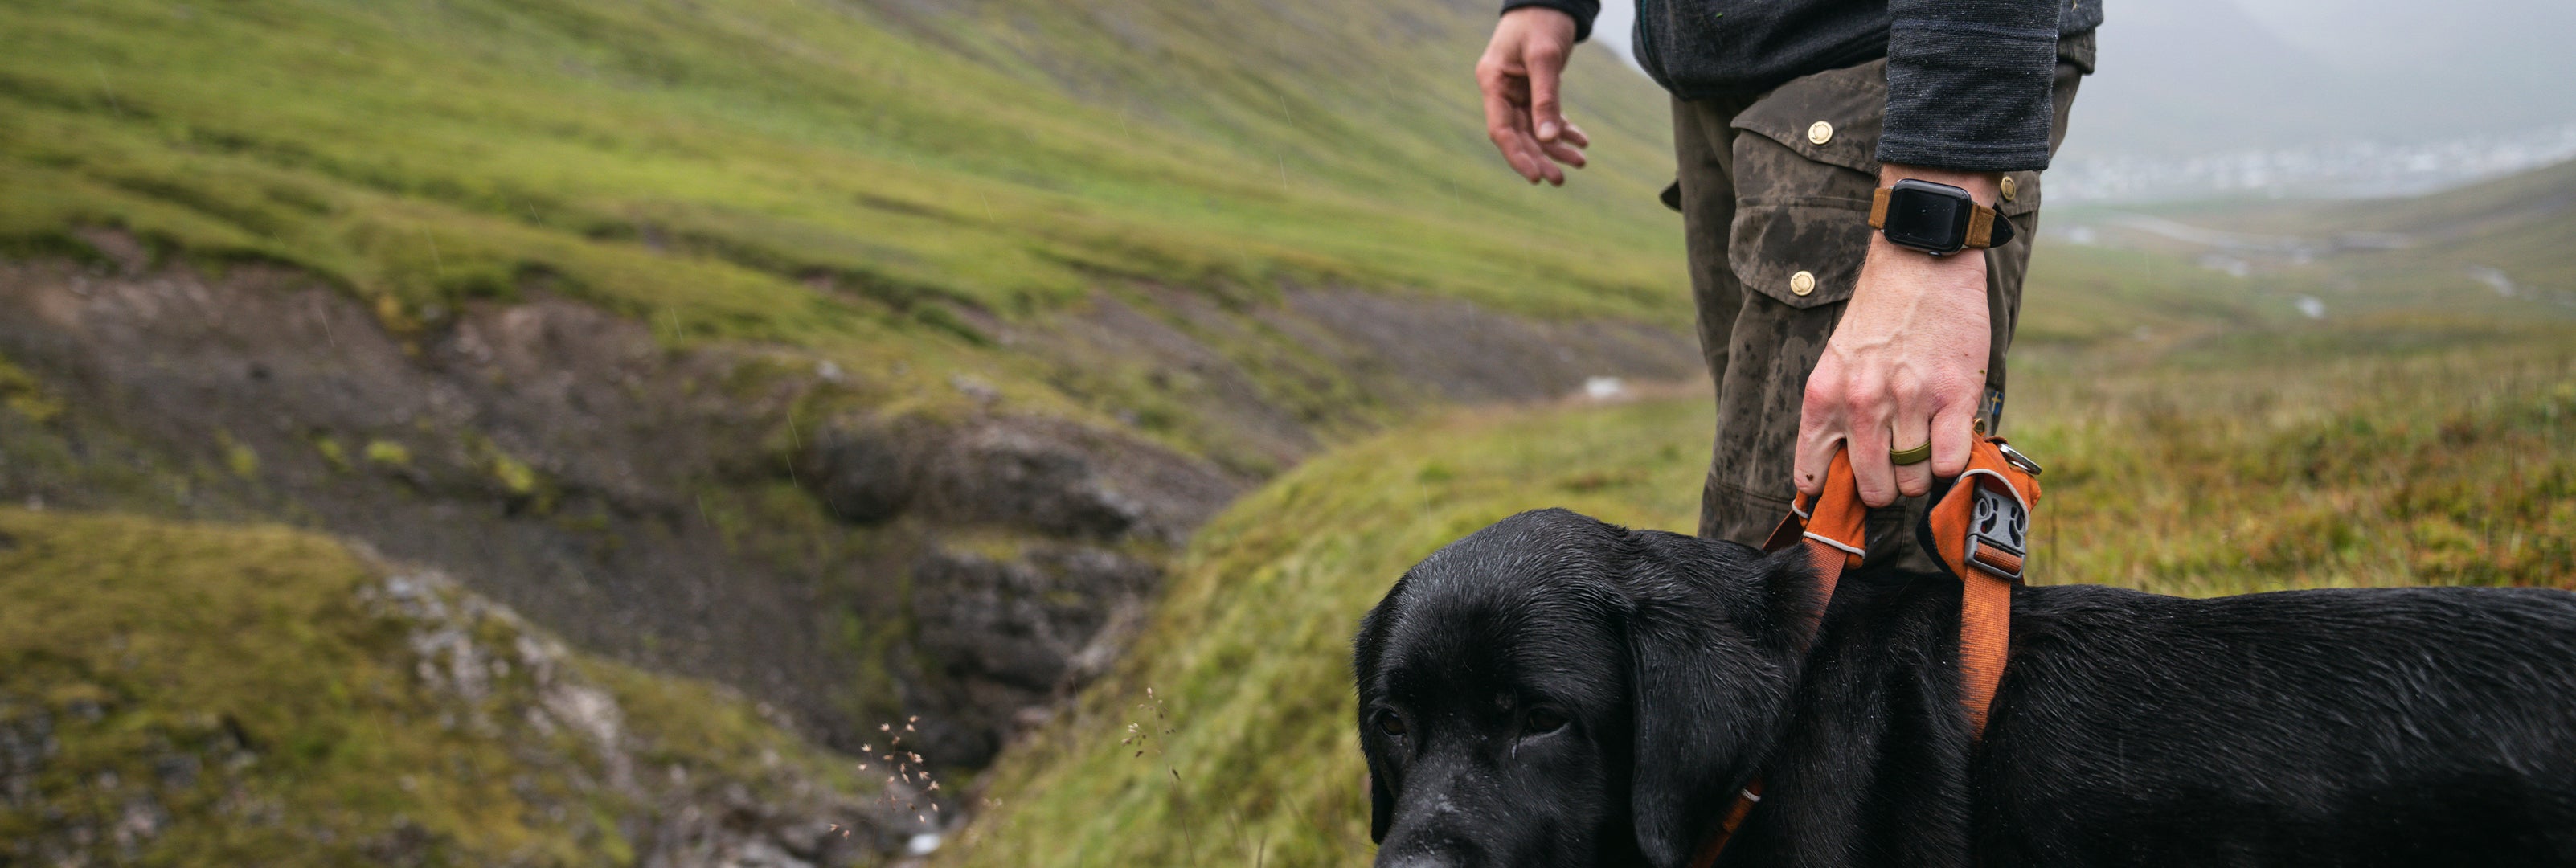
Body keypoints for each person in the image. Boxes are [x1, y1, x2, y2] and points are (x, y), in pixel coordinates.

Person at [1476, 0, 2097, 565]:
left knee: (1803, 590)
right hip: (1727, 66)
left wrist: (1930, 211)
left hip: (1899, 69)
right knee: (1764, 547)